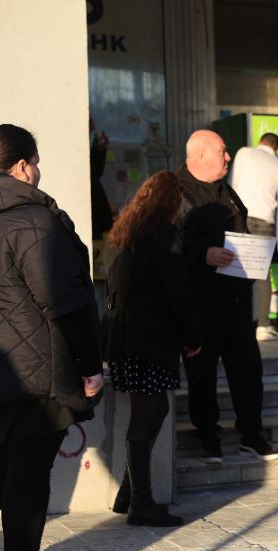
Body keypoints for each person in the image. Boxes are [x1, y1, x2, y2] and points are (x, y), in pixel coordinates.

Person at [0, 124, 103, 551]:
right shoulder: (33, 221)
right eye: (37, 163)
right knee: (26, 474)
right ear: (23, 166)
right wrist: (90, 366)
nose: (39, 172)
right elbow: (65, 303)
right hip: (38, 373)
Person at [101, 171, 201, 527]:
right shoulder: (163, 234)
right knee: (150, 412)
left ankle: (129, 494)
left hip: (122, 336)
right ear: (170, 201)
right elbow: (177, 289)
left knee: (149, 410)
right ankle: (140, 503)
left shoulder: (123, 232)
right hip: (149, 337)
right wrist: (193, 334)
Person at [176, 130, 278, 464]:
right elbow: (167, 245)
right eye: (222, 151)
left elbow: (242, 232)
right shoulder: (175, 191)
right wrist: (202, 254)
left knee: (248, 369)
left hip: (235, 299)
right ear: (201, 154)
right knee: (202, 372)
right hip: (199, 302)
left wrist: (255, 253)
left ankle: (252, 434)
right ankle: (208, 437)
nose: (228, 157)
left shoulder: (227, 191)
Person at [228, 132, 278, 341]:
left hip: (240, 218)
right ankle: (263, 326)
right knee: (262, 275)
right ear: (276, 150)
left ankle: (236, 322)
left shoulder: (244, 153)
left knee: (236, 271)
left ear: (259, 143)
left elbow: (231, 185)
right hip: (265, 221)